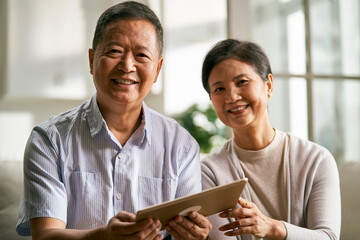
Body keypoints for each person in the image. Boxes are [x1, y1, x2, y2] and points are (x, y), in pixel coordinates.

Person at [16, 1, 211, 239]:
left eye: (141, 55)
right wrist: (103, 237)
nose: (127, 65)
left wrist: (193, 235)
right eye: (114, 51)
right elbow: (45, 236)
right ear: (91, 60)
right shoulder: (49, 139)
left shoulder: (181, 146)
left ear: (157, 69)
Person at [200, 39, 341, 240]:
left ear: (269, 85)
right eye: (219, 89)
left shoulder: (316, 160)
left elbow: (328, 237)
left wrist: (272, 228)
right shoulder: (209, 172)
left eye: (242, 82)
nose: (232, 97)